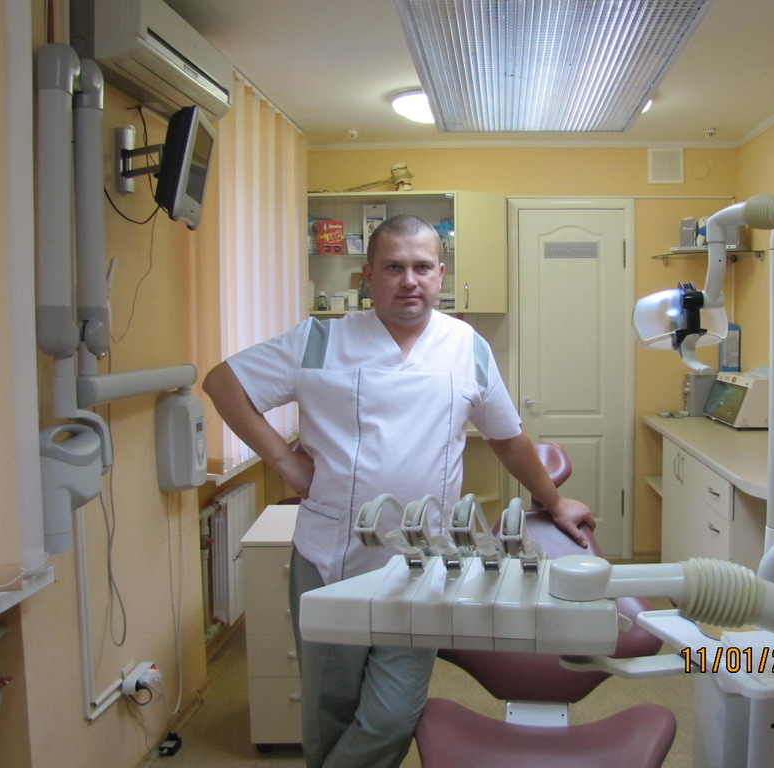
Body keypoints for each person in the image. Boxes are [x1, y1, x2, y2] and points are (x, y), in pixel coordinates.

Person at [202, 213, 594, 768]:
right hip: (330, 556)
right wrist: (285, 463)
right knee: (329, 707)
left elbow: (507, 438)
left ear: (440, 275)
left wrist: (553, 502)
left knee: (391, 715)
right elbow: (224, 383)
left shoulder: (467, 347)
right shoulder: (319, 340)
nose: (409, 280)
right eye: (393, 268)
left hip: (423, 565)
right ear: (368, 276)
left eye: (422, 267)